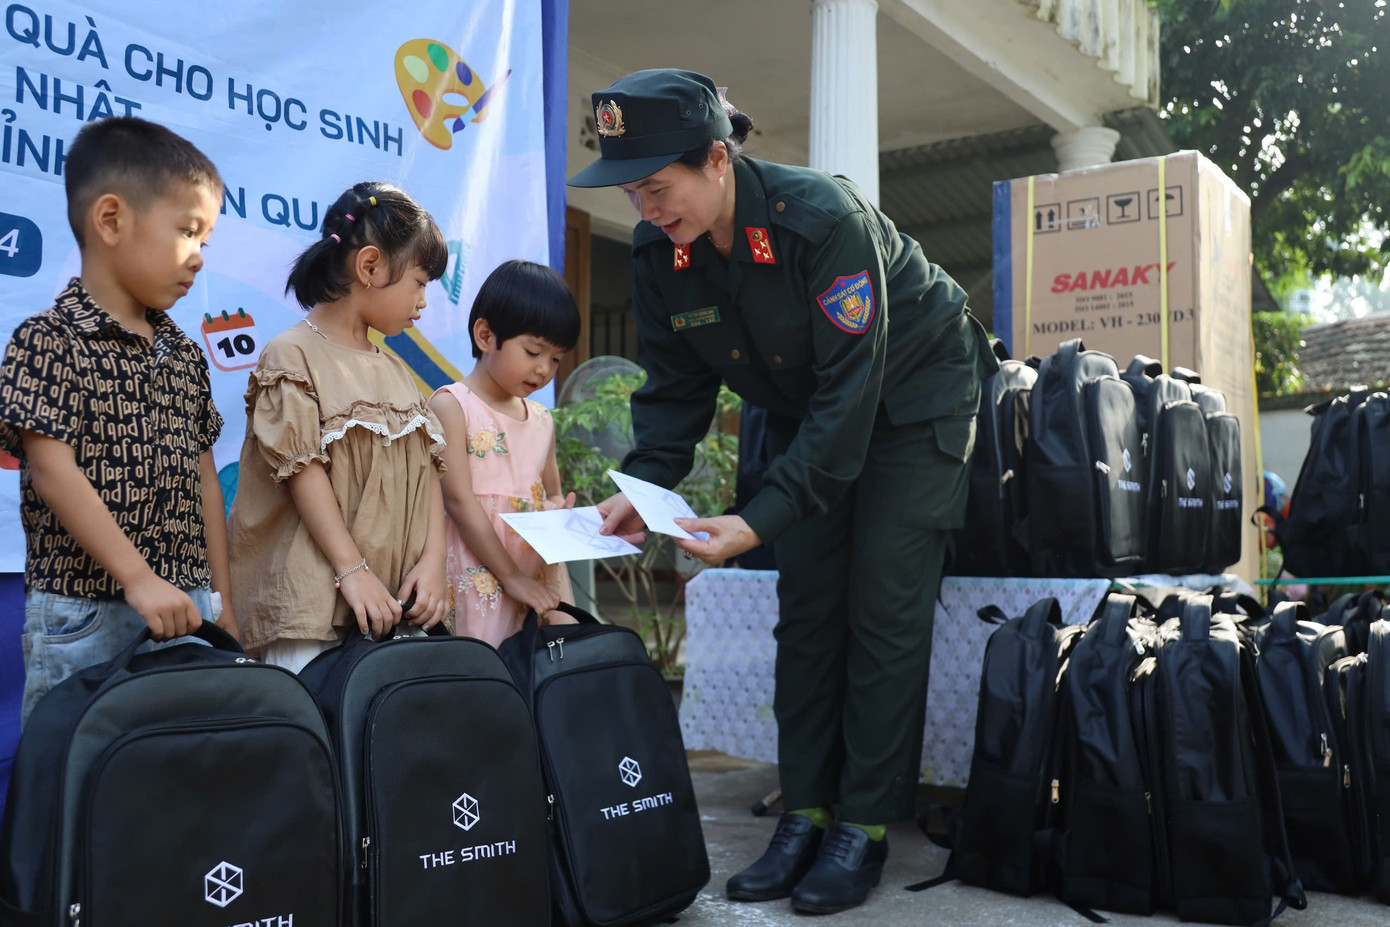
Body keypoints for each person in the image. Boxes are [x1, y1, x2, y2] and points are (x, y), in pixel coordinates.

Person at [569, 69, 997, 915]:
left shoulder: (822, 222)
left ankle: (863, 827)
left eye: (660, 187)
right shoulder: (664, 251)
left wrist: (757, 521)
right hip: (818, 411)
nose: (648, 210)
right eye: (633, 193)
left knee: (881, 604)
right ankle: (803, 814)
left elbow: (850, 403)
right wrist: (640, 487)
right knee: (806, 608)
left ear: (718, 160)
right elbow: (675, 389)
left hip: (914, 403)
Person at [0, 116, 233, 726]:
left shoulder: (183, 352)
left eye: (206, 240)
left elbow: (205, 479)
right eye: (188, 231)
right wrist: (138, 579)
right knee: (79, 787)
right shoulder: (47, 338)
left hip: (190, 608)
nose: (199, 258)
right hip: (86, 613)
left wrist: (221, 599)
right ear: (110, 220)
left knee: (180, 786)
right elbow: (53, 469)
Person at [229, 182, 451, 671]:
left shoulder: (394, 368)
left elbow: (430, 472)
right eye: (419, 282)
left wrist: (434, 564)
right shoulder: (290, 355)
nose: (423, 301)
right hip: (314, 609)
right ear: (370, 266)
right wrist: (353, 571)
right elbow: (302, 471)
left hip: (396, 607)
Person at [428, 259, 581, 647]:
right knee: (482, 676)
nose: (545, 369)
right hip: (477, 576)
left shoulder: (542, 420)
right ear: (484, 335)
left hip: (536, 578)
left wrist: (560, 509)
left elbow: (551, 493)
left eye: (556, 358)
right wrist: (512, 578)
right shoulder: (453, 405)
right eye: (533, 351)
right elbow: (459, 501)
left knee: (535, 677)